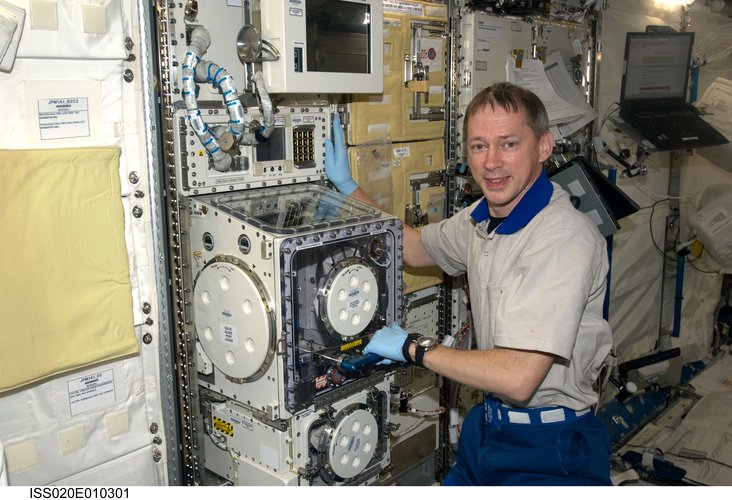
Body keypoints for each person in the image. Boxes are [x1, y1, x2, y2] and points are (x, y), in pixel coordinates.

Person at [324, 82, 614, 486]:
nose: (491, 162)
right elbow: (414, 247)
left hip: (550, 447)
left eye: (508, 144)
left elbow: (518, 376)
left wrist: (413, 348)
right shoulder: (482, 217)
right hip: (489, 428)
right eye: (479, 146)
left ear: (544, 147)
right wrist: (348, 190)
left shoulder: (563, 238)